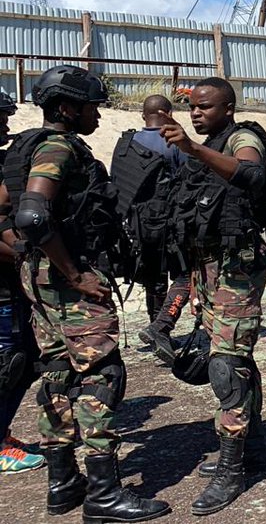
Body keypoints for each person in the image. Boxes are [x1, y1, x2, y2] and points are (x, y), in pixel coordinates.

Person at [4, 66, 170, 520]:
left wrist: (27, 256)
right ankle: (103, 493)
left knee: (58, 370)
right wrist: (75, 274)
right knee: (101, 374)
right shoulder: (57, 148)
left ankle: (63, 482)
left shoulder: (25, 148)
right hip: (65, 278)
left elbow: (8, 207)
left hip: (39, 275)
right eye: (91, 106)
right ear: (66, 108)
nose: (97, 114)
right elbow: (33, 215)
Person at [160, 77, 266, 515]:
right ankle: (253, 447)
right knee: (235, 357)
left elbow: (250, 173)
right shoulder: (210, 142)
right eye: (193, 107)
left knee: (225, 363)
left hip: (238, 266)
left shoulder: (242, 137)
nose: (196, 113)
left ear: (227, 108)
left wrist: (194, 149)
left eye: (206, 107)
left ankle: (232, 468)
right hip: (209, 266)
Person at [110, 94, 191, 365]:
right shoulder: (174, 141)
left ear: (144, 115)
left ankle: (157, 331)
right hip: (170, 223)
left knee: (153, 280)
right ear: (168, 113)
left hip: (136, 227)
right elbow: (188, 181)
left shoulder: (125, 143)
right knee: (184, 277)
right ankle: (162, 327)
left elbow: (117, 184)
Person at [0, 90, 46, 475]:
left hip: (11, 285)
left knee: (26, 360)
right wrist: (25, 255)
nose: (6, 124)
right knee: (10, 361)